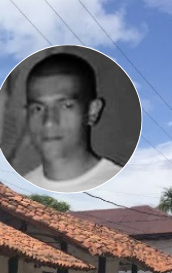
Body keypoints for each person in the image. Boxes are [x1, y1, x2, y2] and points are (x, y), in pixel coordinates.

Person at [22, 53, 122, 193]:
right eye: (38, 108)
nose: (49, 122)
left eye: (66, 106)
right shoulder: (19, 188)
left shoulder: (120, 184)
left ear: (92, 111)